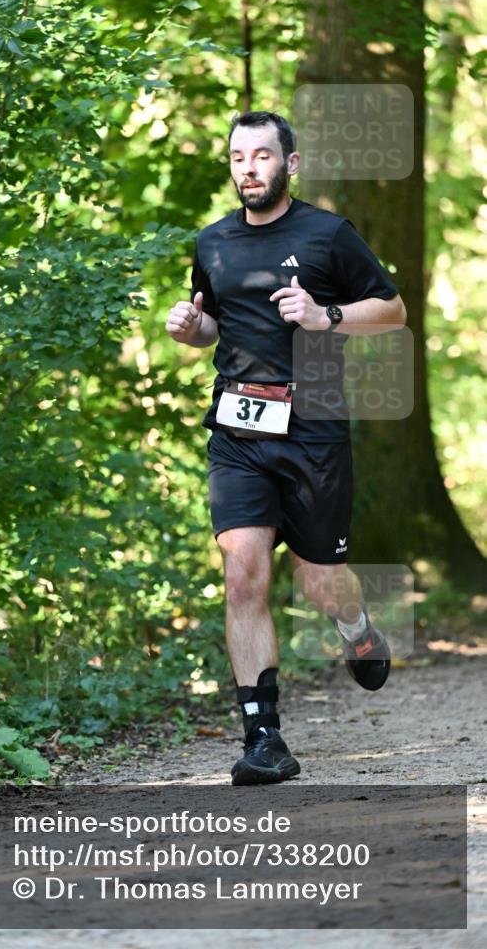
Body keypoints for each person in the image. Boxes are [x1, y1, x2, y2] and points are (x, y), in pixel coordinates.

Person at [165, 110, 407, 786]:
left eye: (261, 156)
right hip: (238, 431)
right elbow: (215, 322)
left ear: (289, 165)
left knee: (319, 581)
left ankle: (356, 626)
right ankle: (262, 736)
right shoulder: (211, 242)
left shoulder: (328, 235)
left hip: (314, 429)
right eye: (238, 157)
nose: (248, 168)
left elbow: (391, 311)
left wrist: (326, 315)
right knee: (241, 570)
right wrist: (191, 327)